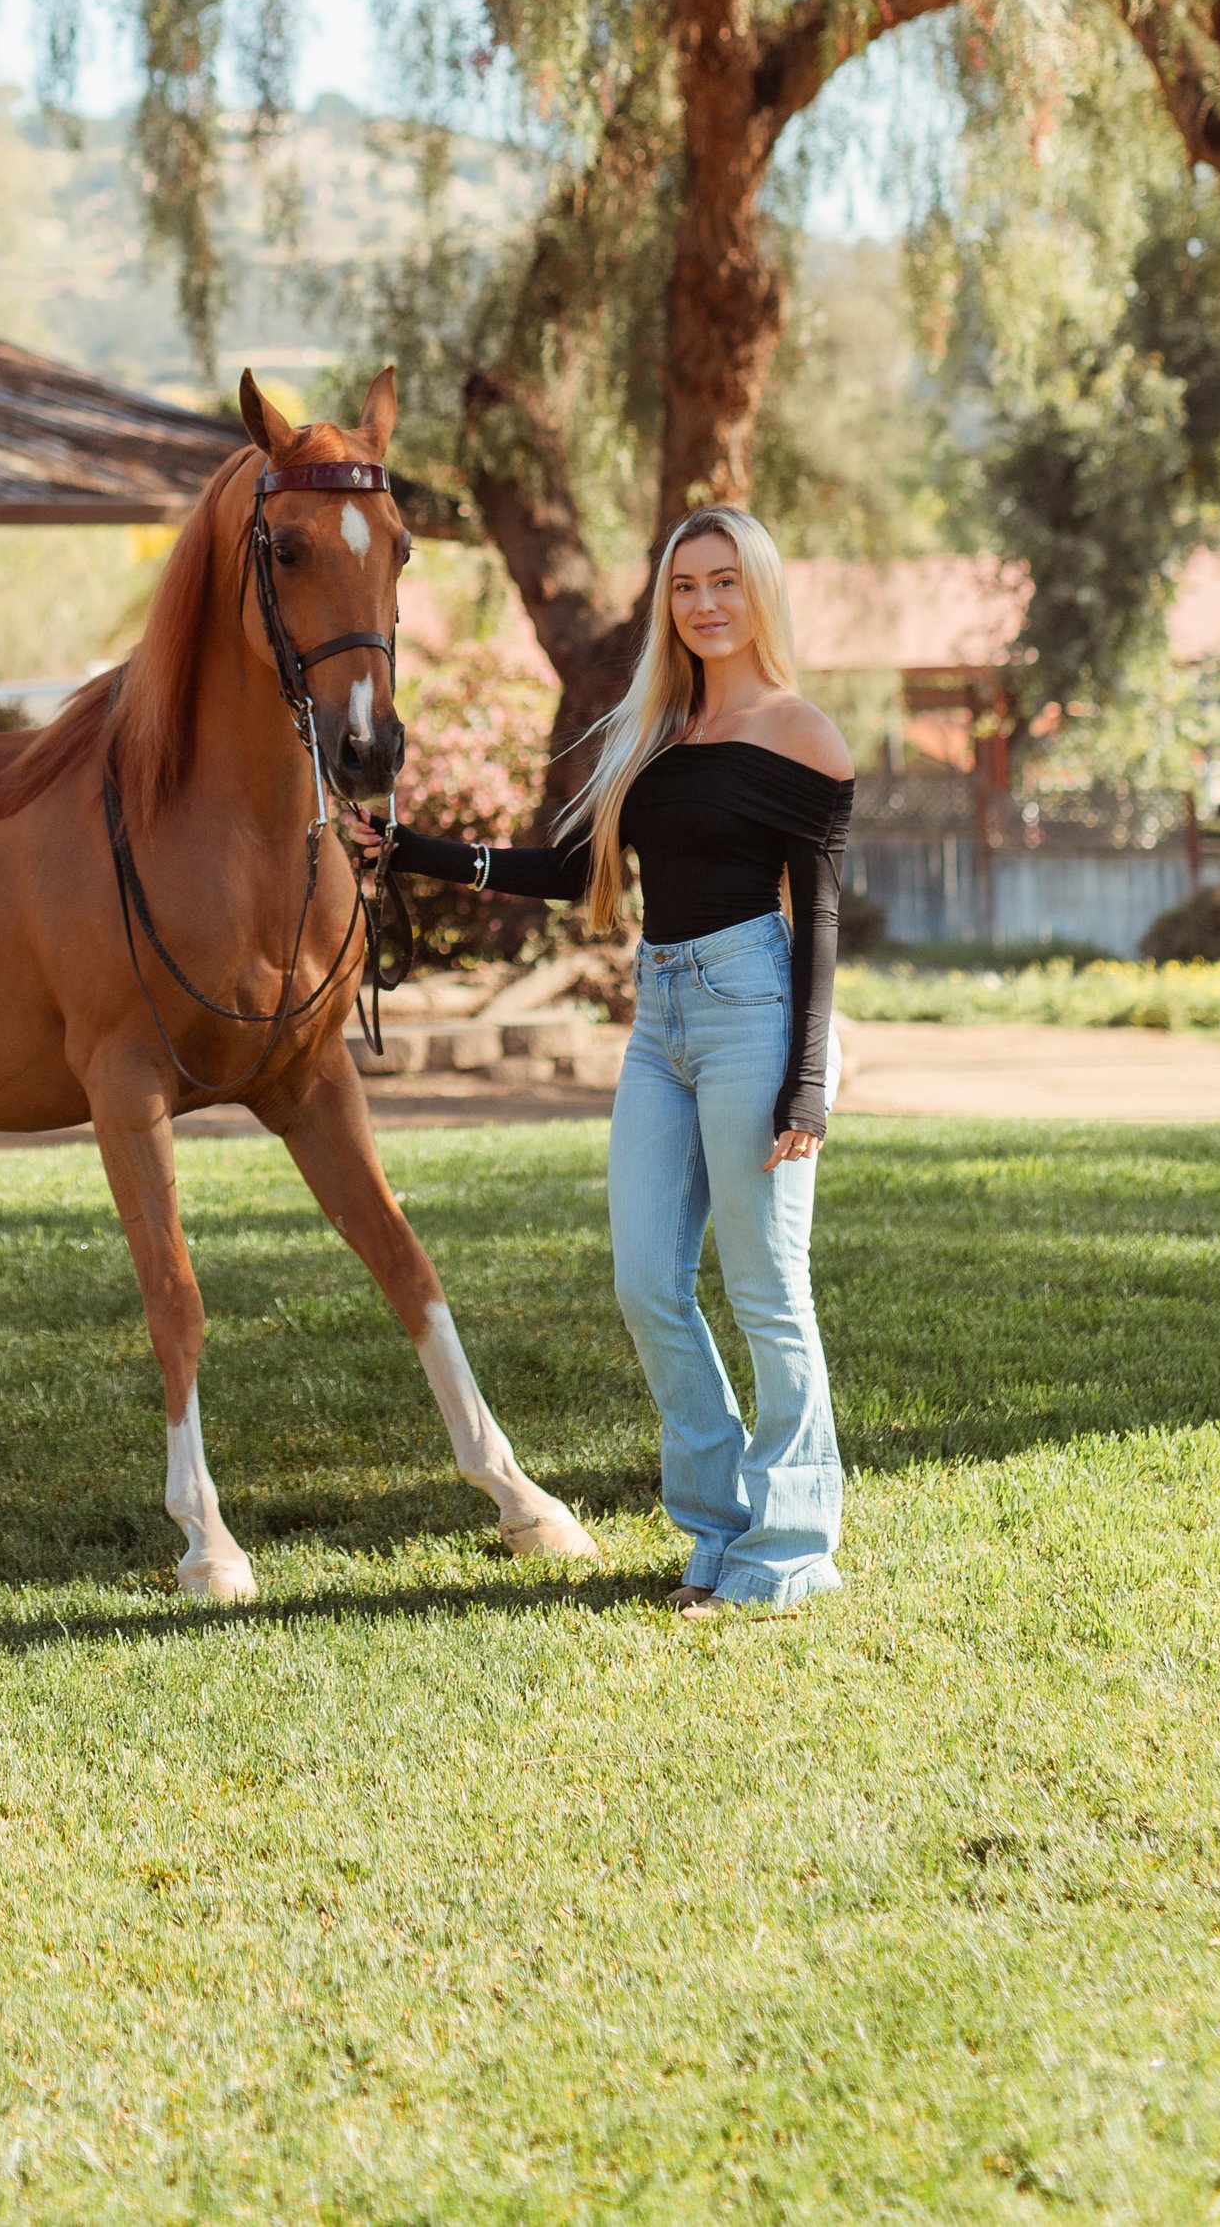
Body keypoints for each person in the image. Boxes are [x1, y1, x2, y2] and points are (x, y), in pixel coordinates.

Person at [388, 507, 853, 1612]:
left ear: (761, 595)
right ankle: (716, 1532)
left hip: (755, 1005)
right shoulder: (652, 733)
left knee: (766, 1291)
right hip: (661, 1019)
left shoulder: (804, 735)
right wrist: (412, 852)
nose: (703, 603)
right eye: (685, 585)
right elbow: (569, 870)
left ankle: (787, 1554)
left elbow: (823, 922)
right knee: (646, 1283)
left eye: (725, 582)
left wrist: (806, 1078)